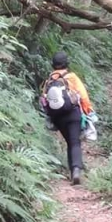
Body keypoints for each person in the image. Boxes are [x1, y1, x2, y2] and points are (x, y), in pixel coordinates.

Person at [39, 51, 94, 185]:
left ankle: (73, 171)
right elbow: (83, 95)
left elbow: (44, 100)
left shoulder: (49, 80)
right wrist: (88, 111)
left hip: (58, 117)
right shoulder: (71, 77)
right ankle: (76, 170)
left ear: (53, 65)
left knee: (70, 142)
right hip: (73, 113)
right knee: (75, 142)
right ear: (66, 64)